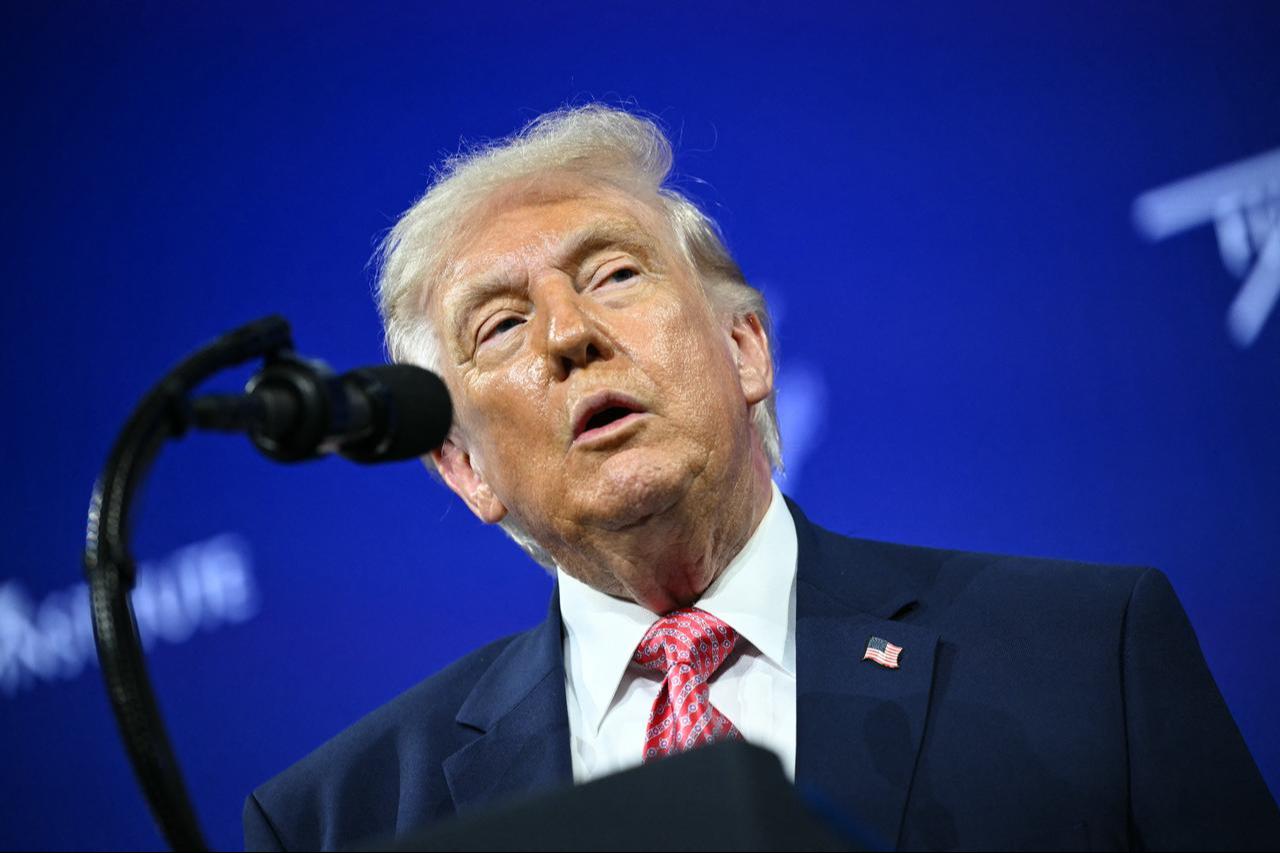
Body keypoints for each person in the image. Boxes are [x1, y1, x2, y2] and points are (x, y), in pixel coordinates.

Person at [243, 105, 1279, 851]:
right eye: (501, 324)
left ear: (744, 347)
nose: (568, 334)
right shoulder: (343, 822)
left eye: (612, 272)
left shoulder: (1083, 655)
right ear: (463, 466)